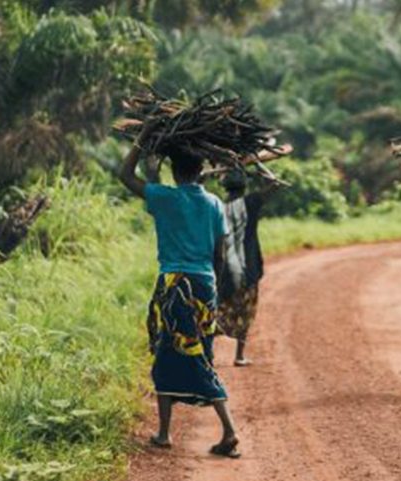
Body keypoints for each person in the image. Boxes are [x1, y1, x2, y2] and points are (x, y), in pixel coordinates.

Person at [119, 122, 241, 458]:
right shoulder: (215, 203)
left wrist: (142, 141)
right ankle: (163, 433)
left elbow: (125, 175)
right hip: (204, 286)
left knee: (173, 356)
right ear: (202, 170)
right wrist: (214, 290)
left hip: (174, 286)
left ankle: (227, 431)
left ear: (174, 170)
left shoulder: (164, 197)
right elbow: (219, 253)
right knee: (192, 353)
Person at [216, 145, 292, 366]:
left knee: (219, 307)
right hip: (247, 267)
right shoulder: (251, 203)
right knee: (245, 311)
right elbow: (274, 183)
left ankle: (209, 351)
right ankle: (239, 355)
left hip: (222, 268)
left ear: (224, 186)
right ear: (245, 185)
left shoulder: (217, 205)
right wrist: (258, 163)